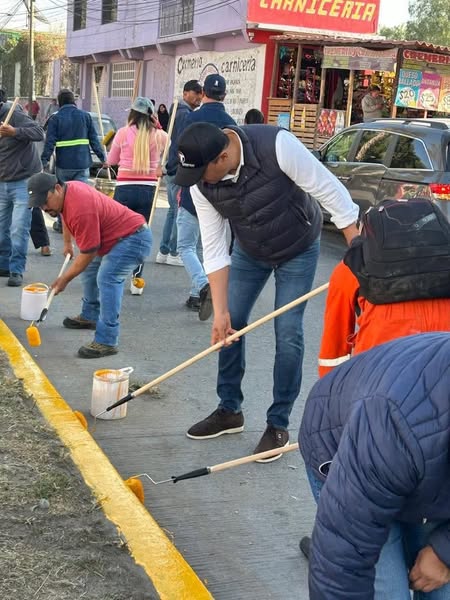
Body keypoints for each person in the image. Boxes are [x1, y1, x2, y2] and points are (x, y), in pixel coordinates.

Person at [175, 121, 359, 458]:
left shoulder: (277, 145)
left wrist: (357, 250)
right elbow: (215, 248)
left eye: (202, 171)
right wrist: (220, 310)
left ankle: (278, 425)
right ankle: (229, 410)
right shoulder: (202, 186)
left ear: (223, 156)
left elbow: (331, 192)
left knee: (287, 331)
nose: (198, 180)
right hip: (249, 250)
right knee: (230, 324)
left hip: (298, 248)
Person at [299, 332, 450, 600]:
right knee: (389, 593)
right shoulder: (393, 425)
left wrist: (444, 550)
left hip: (423, 465)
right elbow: (343, 562)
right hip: (349, 444)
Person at [27, 172, 152, 359]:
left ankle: (107, 340)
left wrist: (64, 280)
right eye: (40, 205)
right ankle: (91, 315)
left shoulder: (80, 206)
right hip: (115, 237)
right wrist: (68, 243)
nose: (44, 208)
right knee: (90, 270)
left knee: (108, 278)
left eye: (45, 201)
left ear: (57, 189)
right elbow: (65, 214)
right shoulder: (67, 191)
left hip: (133, 238)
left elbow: (88, 252)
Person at [177, 74, 236, 319]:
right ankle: (195, 294)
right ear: (224, 95)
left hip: (195, 188)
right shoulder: (231, 122)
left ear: (204, 94)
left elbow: (177, 152)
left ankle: (202, 285)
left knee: (185, 245)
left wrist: (174, 174)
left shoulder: (192, 118)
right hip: (222, 194)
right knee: (210, 246)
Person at [106, 97, 167, 295]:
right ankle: (137, 280)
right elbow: (169, 153)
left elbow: (111, 161)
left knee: (120, 234)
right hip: (149, 189)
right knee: (141, 236)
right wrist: (157, 124)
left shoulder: (122, 134)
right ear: (151, 115)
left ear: (131, 114)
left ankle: (116, 273)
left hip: (124, 189)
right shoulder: (159, 135)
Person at [41, 88, 106, 233]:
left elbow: (49, 143)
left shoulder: (55, 118)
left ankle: (62, 224)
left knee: (62, 195)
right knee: (81, 195)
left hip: (64, 164)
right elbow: (94, 140)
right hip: (82, 163)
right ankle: (80, 223)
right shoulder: (85, 116)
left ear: (59, 103)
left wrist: (43, 162)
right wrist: (103, 158)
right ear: (73, 101)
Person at [156, 79, 203, 266]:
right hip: (177, 169)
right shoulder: (185, 115)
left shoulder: (178, 112)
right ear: (186, 94)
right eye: (196, 92)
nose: (199, 96)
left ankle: (164, 250)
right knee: (178, 211)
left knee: (171, 211)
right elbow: (180, 144)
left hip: (171, 168)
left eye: (201, 92)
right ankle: (174, 252)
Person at [0, 91, 44, 286]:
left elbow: (39, 132)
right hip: (2, 181)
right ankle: (3, 264)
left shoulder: (14, 114)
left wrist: (14, 132)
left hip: (23, 180)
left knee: (19, 227)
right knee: (1, 229)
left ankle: (16, 270)